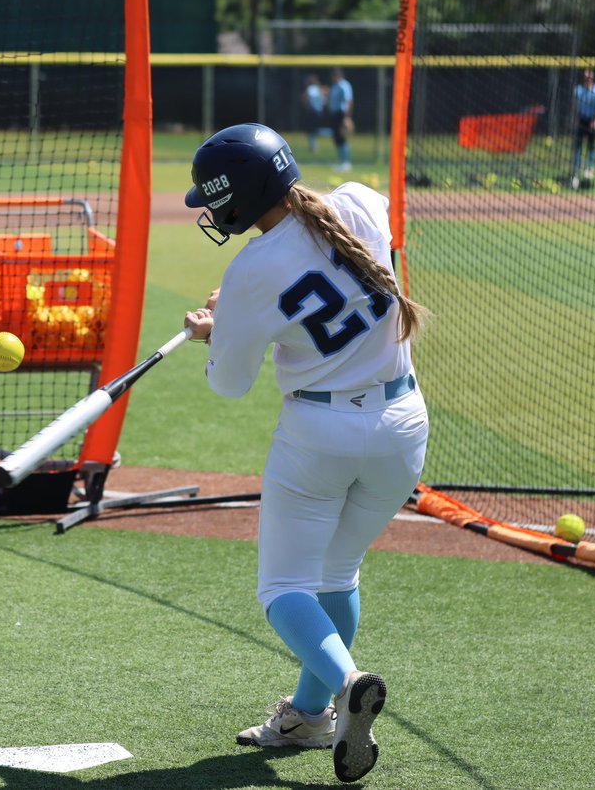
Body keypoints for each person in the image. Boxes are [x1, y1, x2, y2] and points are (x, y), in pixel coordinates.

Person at [181, 123, 430, 784]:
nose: (209, 209)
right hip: (404, 424)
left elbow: (230, 385)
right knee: (338, 571)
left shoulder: (251, 269)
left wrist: (218, 330)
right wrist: (235, 313)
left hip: (321, 436)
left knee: (283, 587)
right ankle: (310, 716)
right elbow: (332, 274)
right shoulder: (357, 201)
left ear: (240, 196)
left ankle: (348, 684)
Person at [571, 69, 595, 189]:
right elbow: (575, 107)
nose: (588, 80)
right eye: (586, 78)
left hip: (592, 121)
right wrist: (575, 120)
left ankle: (589, 170)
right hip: (582, 120)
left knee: (591, 147)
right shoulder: (578, 90)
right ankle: (575, 172)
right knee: (578, 147)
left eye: (590, 78)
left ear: (593, 79)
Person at [327, 68, 354, 172]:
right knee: (337, 138)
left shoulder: (344, 85)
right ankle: (341, 162)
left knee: (342, 138)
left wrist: (347, 117)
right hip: (335, 115)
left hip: (341, 115)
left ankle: (346, 163)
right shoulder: (334, 86)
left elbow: (349, 101)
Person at [301, 74, 327, 154]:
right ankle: (314, 146)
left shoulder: (310, 89)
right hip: (319, 111)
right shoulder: (319, 89)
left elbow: (305, 98)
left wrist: (306, 105)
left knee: (312, 131)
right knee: (314, 130)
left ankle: (313, 147)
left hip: (312, 112)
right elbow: (324, 100)